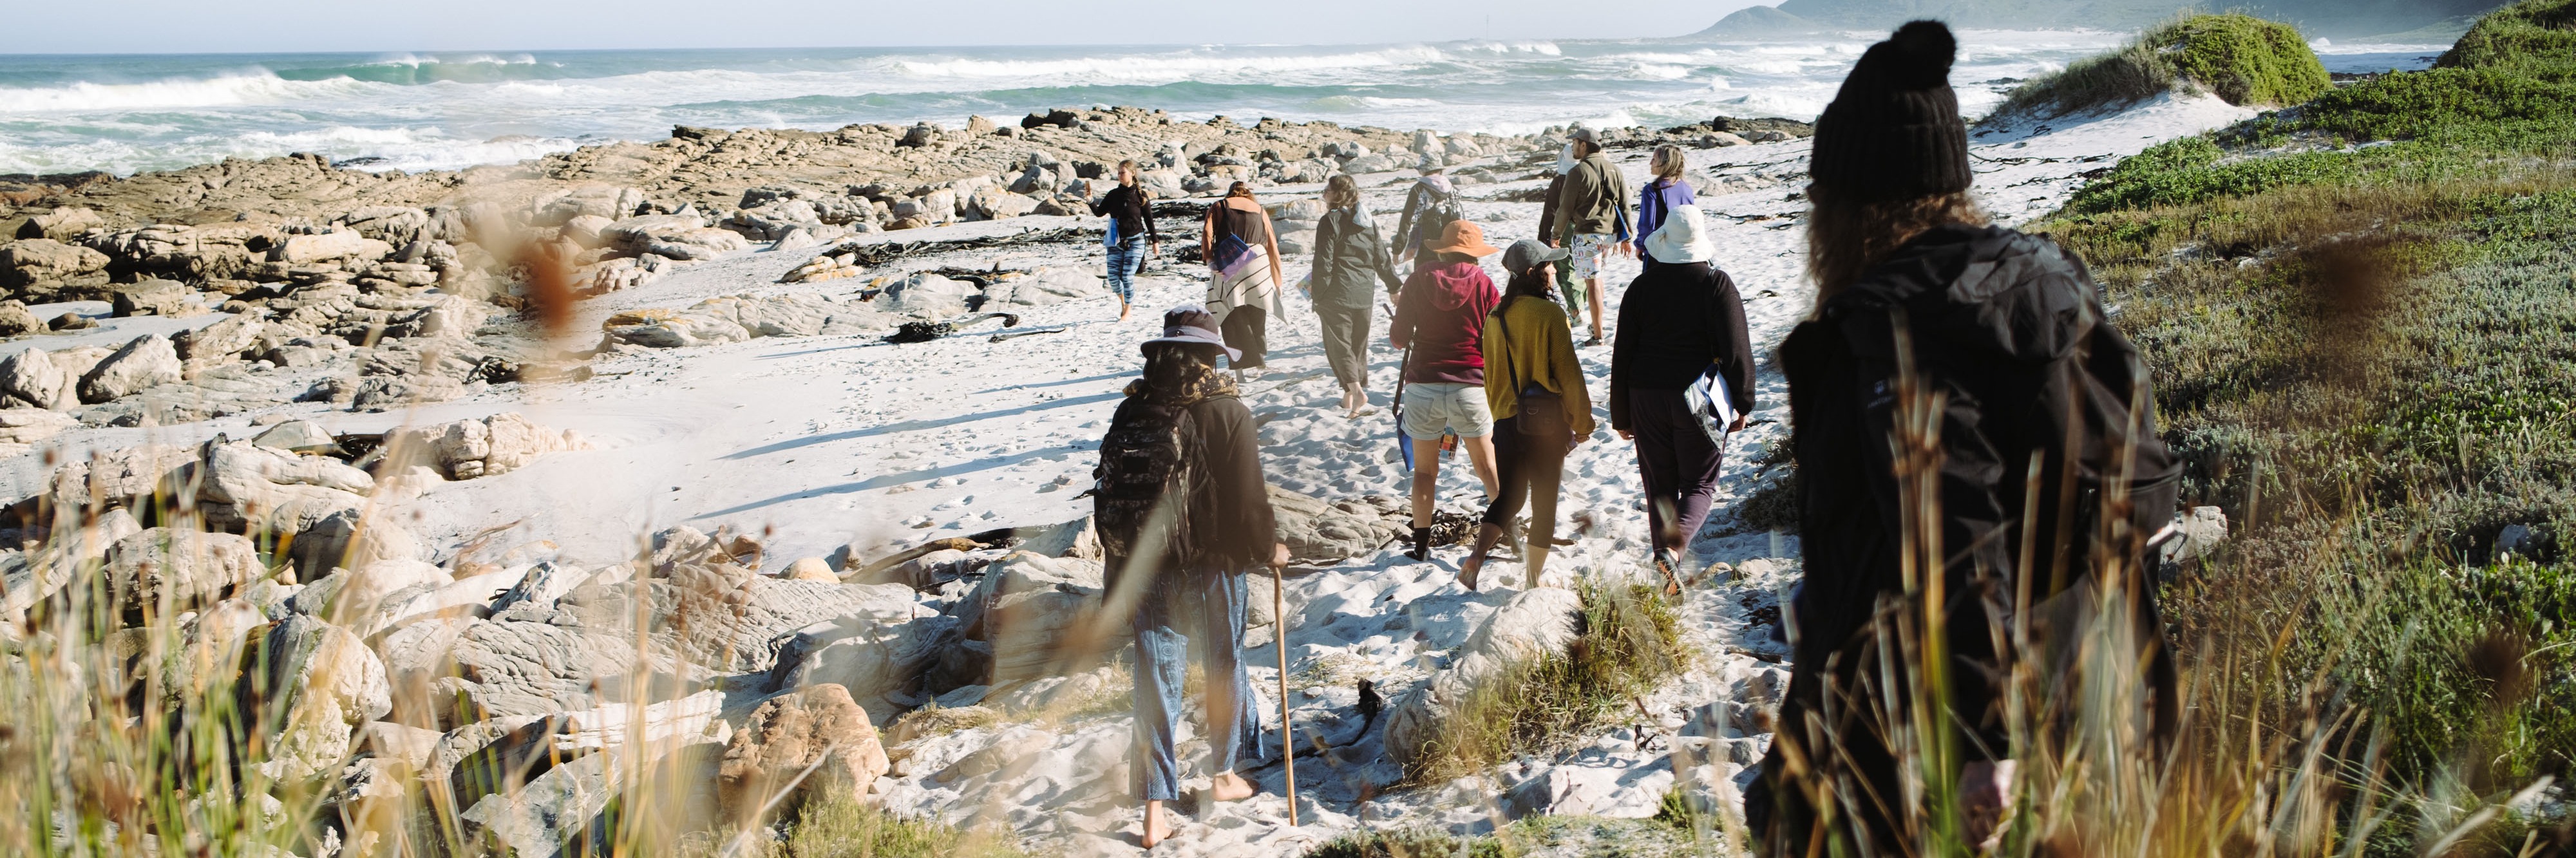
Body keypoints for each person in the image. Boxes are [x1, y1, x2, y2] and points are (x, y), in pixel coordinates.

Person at [1743, 22, 2181, 855]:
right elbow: (2139, 468)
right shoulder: (2048, 278)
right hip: (2095, 683)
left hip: (1925, 711)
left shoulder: (1886, 327)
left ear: (1844, 203)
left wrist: (1985, 746)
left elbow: (1953, 527)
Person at [1094, 307, 1289, 849]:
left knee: (1156, 680)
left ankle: (1155, 811)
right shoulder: (1230, 413)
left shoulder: (1133, 411)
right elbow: (1250, 500)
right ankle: (1223, 775)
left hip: (1147, 566)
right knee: (1223, 663)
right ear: (1212, 356)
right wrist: (1266, 547)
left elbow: (1118, 494)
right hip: (1213, 566)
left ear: (1161, 356)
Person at [1609, 205, 1752, 592]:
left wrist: (1621, 414)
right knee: (1700, 484)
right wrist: (1743, 403)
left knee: (1659, 485)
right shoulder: (1716, 284)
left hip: (1644, 395)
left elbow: (1623, 353)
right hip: (1698, 397)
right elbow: (1737, 350)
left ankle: (1666, 573)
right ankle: (1671, 555)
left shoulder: (1641, 287)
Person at [1459, 239, 1593, 590]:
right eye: (1548, 266)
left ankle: (1477, 556)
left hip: (1505, 421)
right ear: (1534, 274)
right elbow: (1569, 374)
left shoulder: (1494, 318)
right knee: (1545, 500)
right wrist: (1582, 423)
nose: (1554, 270)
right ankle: (1533, 582)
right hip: (1544, 424)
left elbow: (1490, 376)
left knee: (1510, 497)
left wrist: (1502, 414)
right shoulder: (1549, 315)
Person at [1388, 219, 1503, 561]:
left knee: (1425, 472)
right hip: (1469, 385)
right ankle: (1507, 534)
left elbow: (1397, 338)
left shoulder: (1419, 278)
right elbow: (1496, 337)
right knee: (1487, 468)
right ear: (1474, 254)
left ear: (1443, 248)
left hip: (1422, 384)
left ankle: (1421, 547)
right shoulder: (1484, 284)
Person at [1306, 174, 1405, 417]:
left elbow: (1323, 263)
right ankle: (1348, 397)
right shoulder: (1367, 221)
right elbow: (1381, 258)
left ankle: (1357, 391)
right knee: (1357, 346)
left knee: (1339, 346)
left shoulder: (1330, 221)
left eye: (1327, 189)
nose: (1324, 193)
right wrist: (1394, 287)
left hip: (1336, 294)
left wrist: (1317, 296)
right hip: (1363, 293)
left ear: (1336, 194)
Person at [1552, 126, 1631, 346]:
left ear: (1584, 144)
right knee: (1598, 279)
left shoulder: (1578, 172)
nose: (1573, 147)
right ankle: (1598, 324)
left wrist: (1555, 234)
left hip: (1588, 234)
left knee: (1592, 281)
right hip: (1609, 235)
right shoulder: (1614, 169)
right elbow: (1625, 205)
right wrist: (1627, 237)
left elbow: (1565, 208)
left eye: (1575, 142)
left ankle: (1598, 335)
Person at [1202, 182, 1286, 376]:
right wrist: (1277, 280)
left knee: (1230, 311)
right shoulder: (1260, 210)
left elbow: (1208, 233)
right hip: (1259, 261)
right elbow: (1272, 244)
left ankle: (1240, 368)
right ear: (1249, 194)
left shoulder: (1220, 206)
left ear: (1230, 192)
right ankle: (1260, 359)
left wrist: (1210, 261)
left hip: (1231, 261)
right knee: (1257, 309)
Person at [1089, 160, 1159, 321]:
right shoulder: (1114, 194)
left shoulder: (1141, 196)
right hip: (1115, 241)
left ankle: (1128, 310)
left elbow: (1149, 220)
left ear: (1132, 173)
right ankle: (1124, 302)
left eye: (1123, 172)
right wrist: (1090, 201)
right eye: (1118, 172)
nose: (1120, 175)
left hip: (1136, 241)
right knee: (1113, 279)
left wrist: (1155, 242)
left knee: (1127, 277)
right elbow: (1099, 213)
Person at [1534, 144, 1586, 324]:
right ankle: (1580, 305)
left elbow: (1550, 212)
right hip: (1587, 225)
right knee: (1584, 267)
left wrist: (1544, 237)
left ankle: (1575, 311)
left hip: (1564, 227)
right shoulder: (1586, 176)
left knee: (1565, 269)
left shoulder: (1559, 181)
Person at [1392, 155, 1461, 274]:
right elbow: (1459, 218)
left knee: (1425, 281)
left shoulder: (1419, 189)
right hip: (1449, 244)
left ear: (1424, 170)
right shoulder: (1454, 190)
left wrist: (1397, 249)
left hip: (1425, 244)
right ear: (1440, 169)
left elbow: (1407, 220)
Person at [1634, 145, 1697, 266]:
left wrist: (1640, 245)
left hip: (1659, 252)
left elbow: (1647, 225)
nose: (1650, 163)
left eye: (1654, 159)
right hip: (1682, 250)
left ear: (1664, 163)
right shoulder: (1686, 188)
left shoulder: (1652, 190)